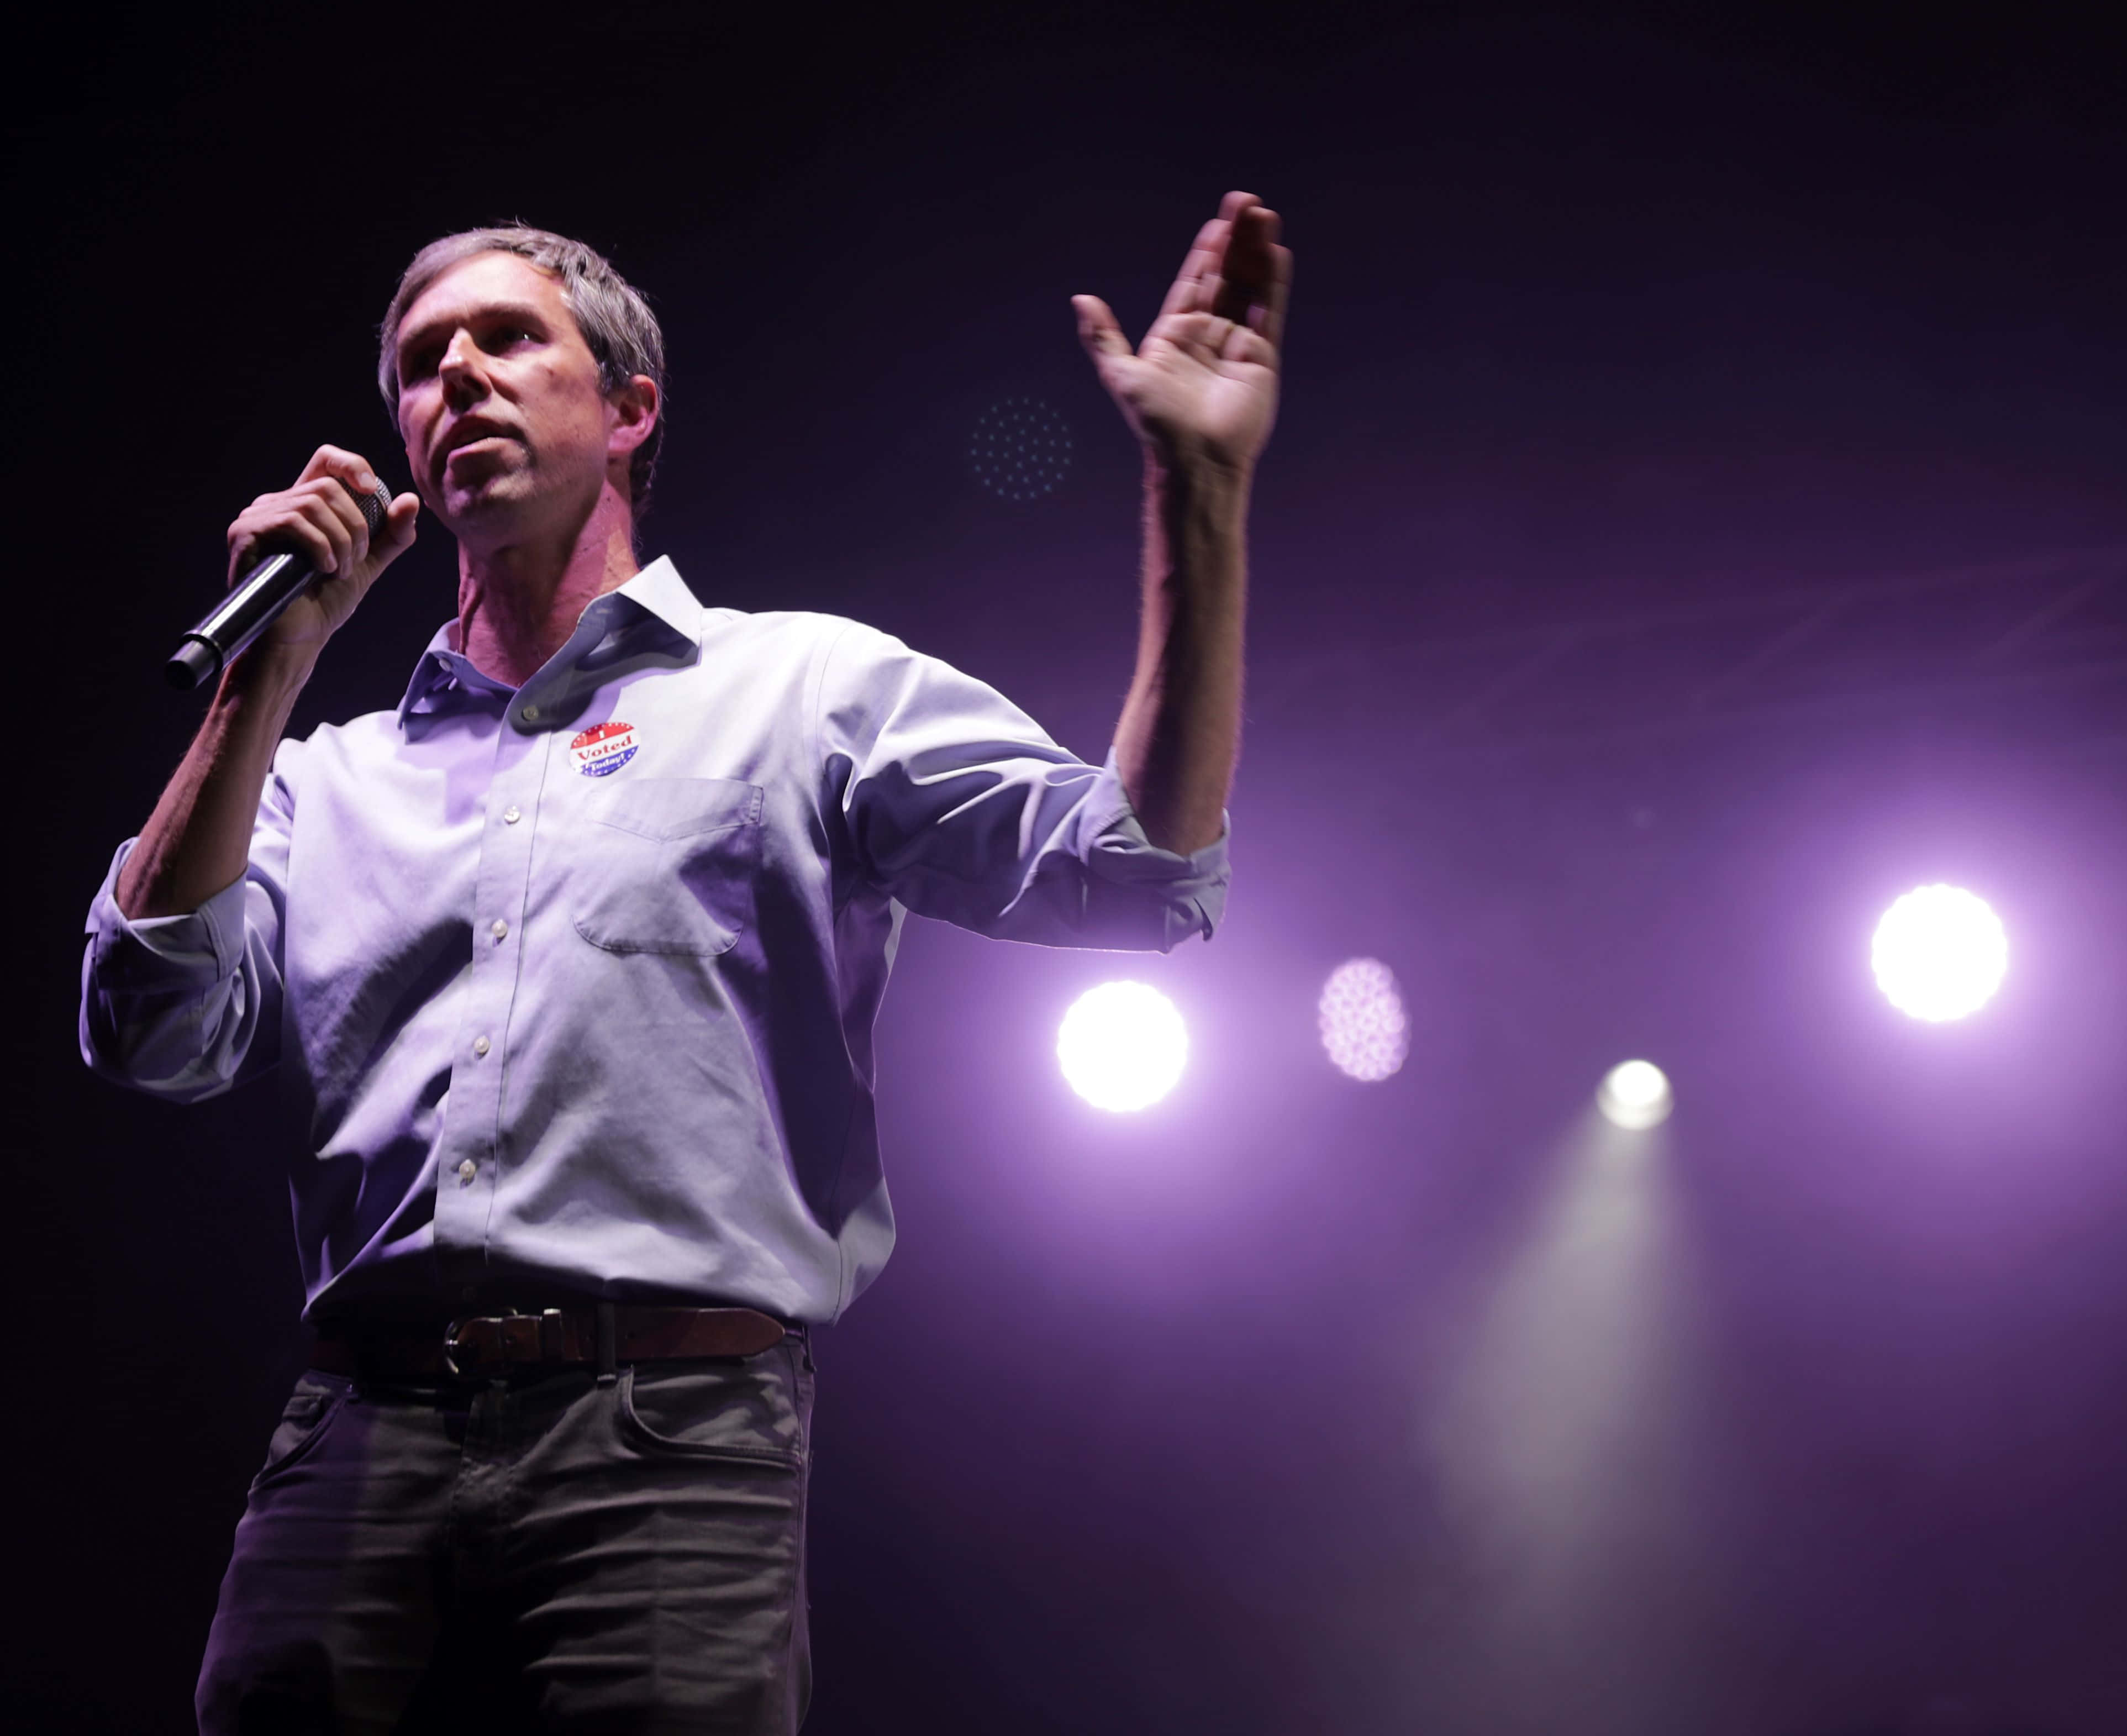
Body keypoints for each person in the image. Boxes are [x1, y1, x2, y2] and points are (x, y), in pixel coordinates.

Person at [79, 191, 1287, 1732]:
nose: (459, 376)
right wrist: (263, 677)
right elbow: (144, 1029)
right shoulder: (325, 777)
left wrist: (1201, 494)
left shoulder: (806, 692)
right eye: (421, 359)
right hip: (355, 1438)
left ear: (632, 407)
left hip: (666, 1437)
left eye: (511, 339)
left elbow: (1134, 877)